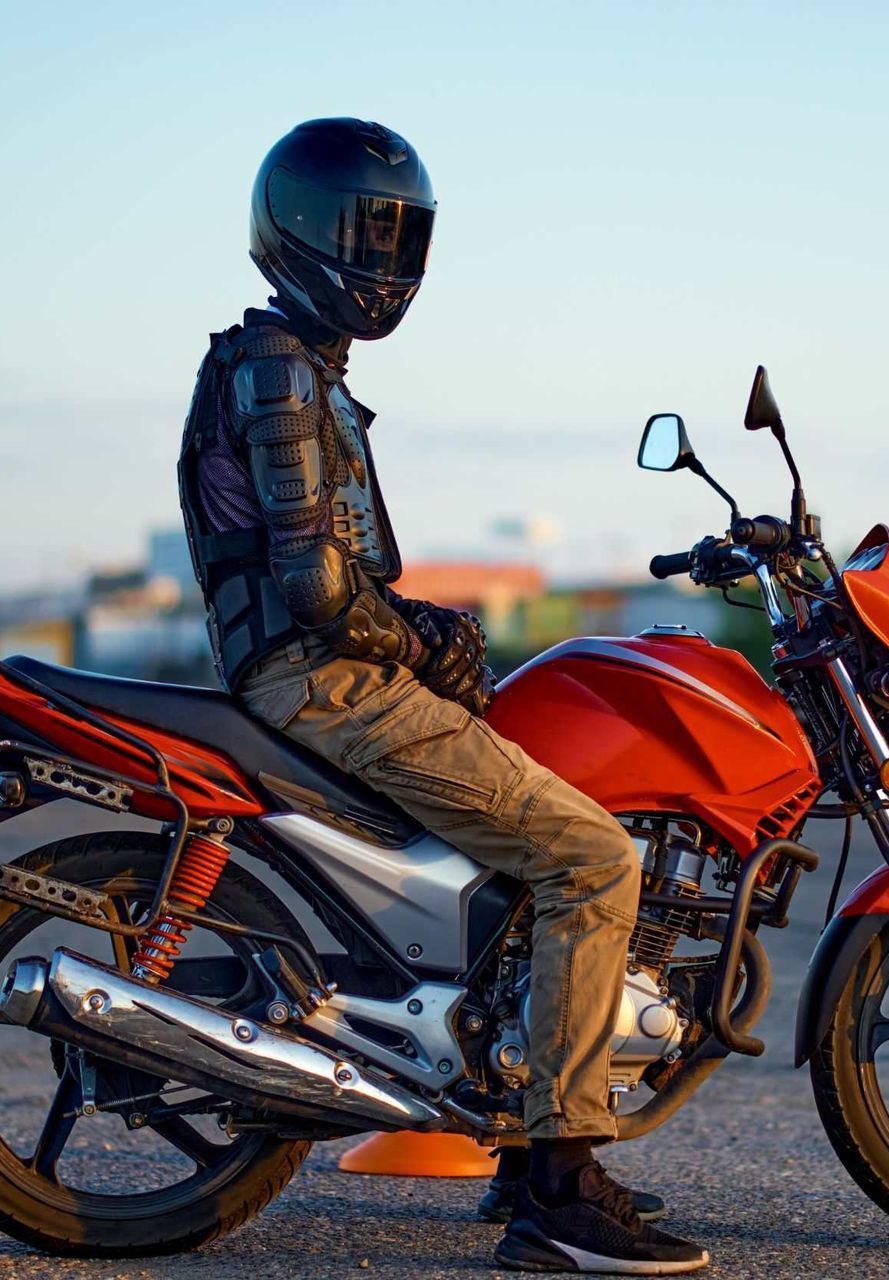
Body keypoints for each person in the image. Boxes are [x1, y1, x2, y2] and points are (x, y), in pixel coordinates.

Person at [176, 117, 709, 1275]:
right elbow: (315, 583)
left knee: (529, 847)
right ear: (303, 232)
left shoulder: (299, 366)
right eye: (367, 232)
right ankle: (559, 1187)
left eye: (400, 235)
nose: (386, 259)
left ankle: (519, 1135)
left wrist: (426, 637)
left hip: (323, 667)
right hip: (321, 677)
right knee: (592, 859)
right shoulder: (277, 367)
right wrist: (427, 636)